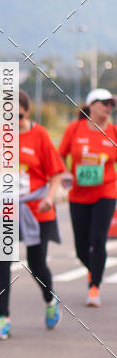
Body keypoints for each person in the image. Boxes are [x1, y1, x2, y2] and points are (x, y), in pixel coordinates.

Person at [0, 90, 65, 339]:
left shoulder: (39, 134)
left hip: (36, 210)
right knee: (1, 262)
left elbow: (56, 173)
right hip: (7, 208)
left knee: (36, 264)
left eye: (17, 115)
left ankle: (50, 299)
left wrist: (49, 198)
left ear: (26, 111)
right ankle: (3, 318)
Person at [58, 87, 117, 307]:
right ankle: (94, 271)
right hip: (78, 195)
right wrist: (64, 172)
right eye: (105, 103)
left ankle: (94, 288)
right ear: (91, 105)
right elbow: (60, 155)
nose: (109, 107)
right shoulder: (75, 129)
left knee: (98, 240)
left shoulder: (114, 132)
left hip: (105, 192)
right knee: (81, 247)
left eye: (112, 104)